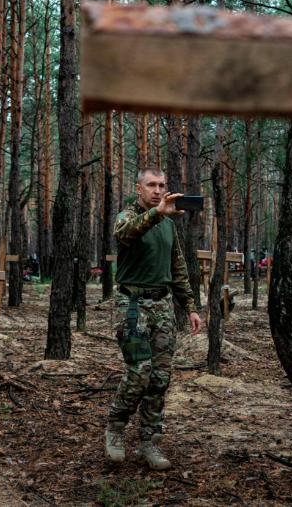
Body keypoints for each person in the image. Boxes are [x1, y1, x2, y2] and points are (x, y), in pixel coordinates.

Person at [105, 167, 202, 470]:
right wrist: (157, 214)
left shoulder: (169, 224)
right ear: (139, 189)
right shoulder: (127, 216)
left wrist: (190, 306)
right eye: (151, 185)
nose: (158, 190)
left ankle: (149, 441)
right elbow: (126, 234)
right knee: (139, 371)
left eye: (162, 185)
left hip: (162, 306)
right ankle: (116, 429)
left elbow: (178, 267)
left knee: (160, 378)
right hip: (132, 304)